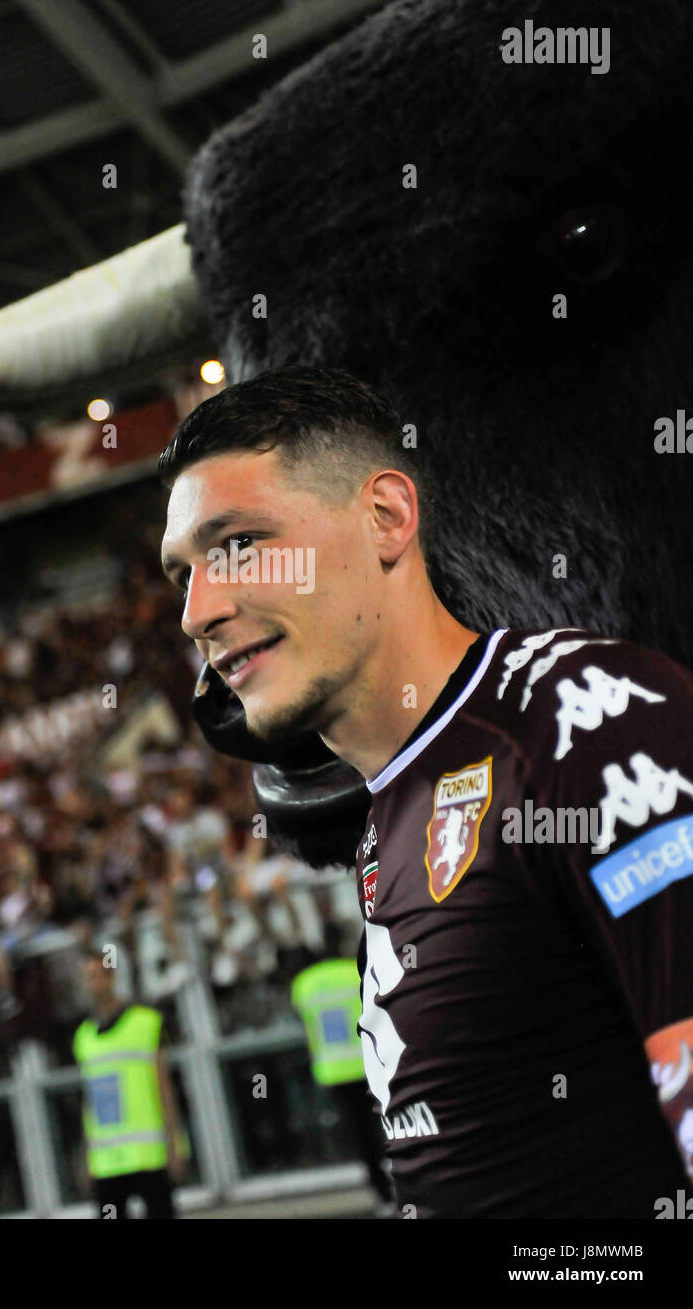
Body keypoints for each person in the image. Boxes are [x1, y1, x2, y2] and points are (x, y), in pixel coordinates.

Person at [158, 363, 693, 1219]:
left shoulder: (586, 720)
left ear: (387, 519)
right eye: (181, 571)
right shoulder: (390, 811)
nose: (196, 611)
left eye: (239, 545)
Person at [73, 952, 186, 1219]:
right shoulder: (83, 1036)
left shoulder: (146, 1023)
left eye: (98, 975)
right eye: (88, 977)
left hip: (148, 1154)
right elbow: (90, 1100)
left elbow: (164, 1088)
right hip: (107, 1159)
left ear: (112, 977)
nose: (93, 983)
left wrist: (175, 1146)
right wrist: (87, 1156)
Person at [290, 924, 392, 1211]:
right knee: (389, 1122)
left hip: (335, 1070)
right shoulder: (354, 969)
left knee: (362, 1136)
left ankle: (383, 1194)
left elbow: (305, 1021)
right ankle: (408, 1175)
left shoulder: (303, 984)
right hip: (372, 1061)